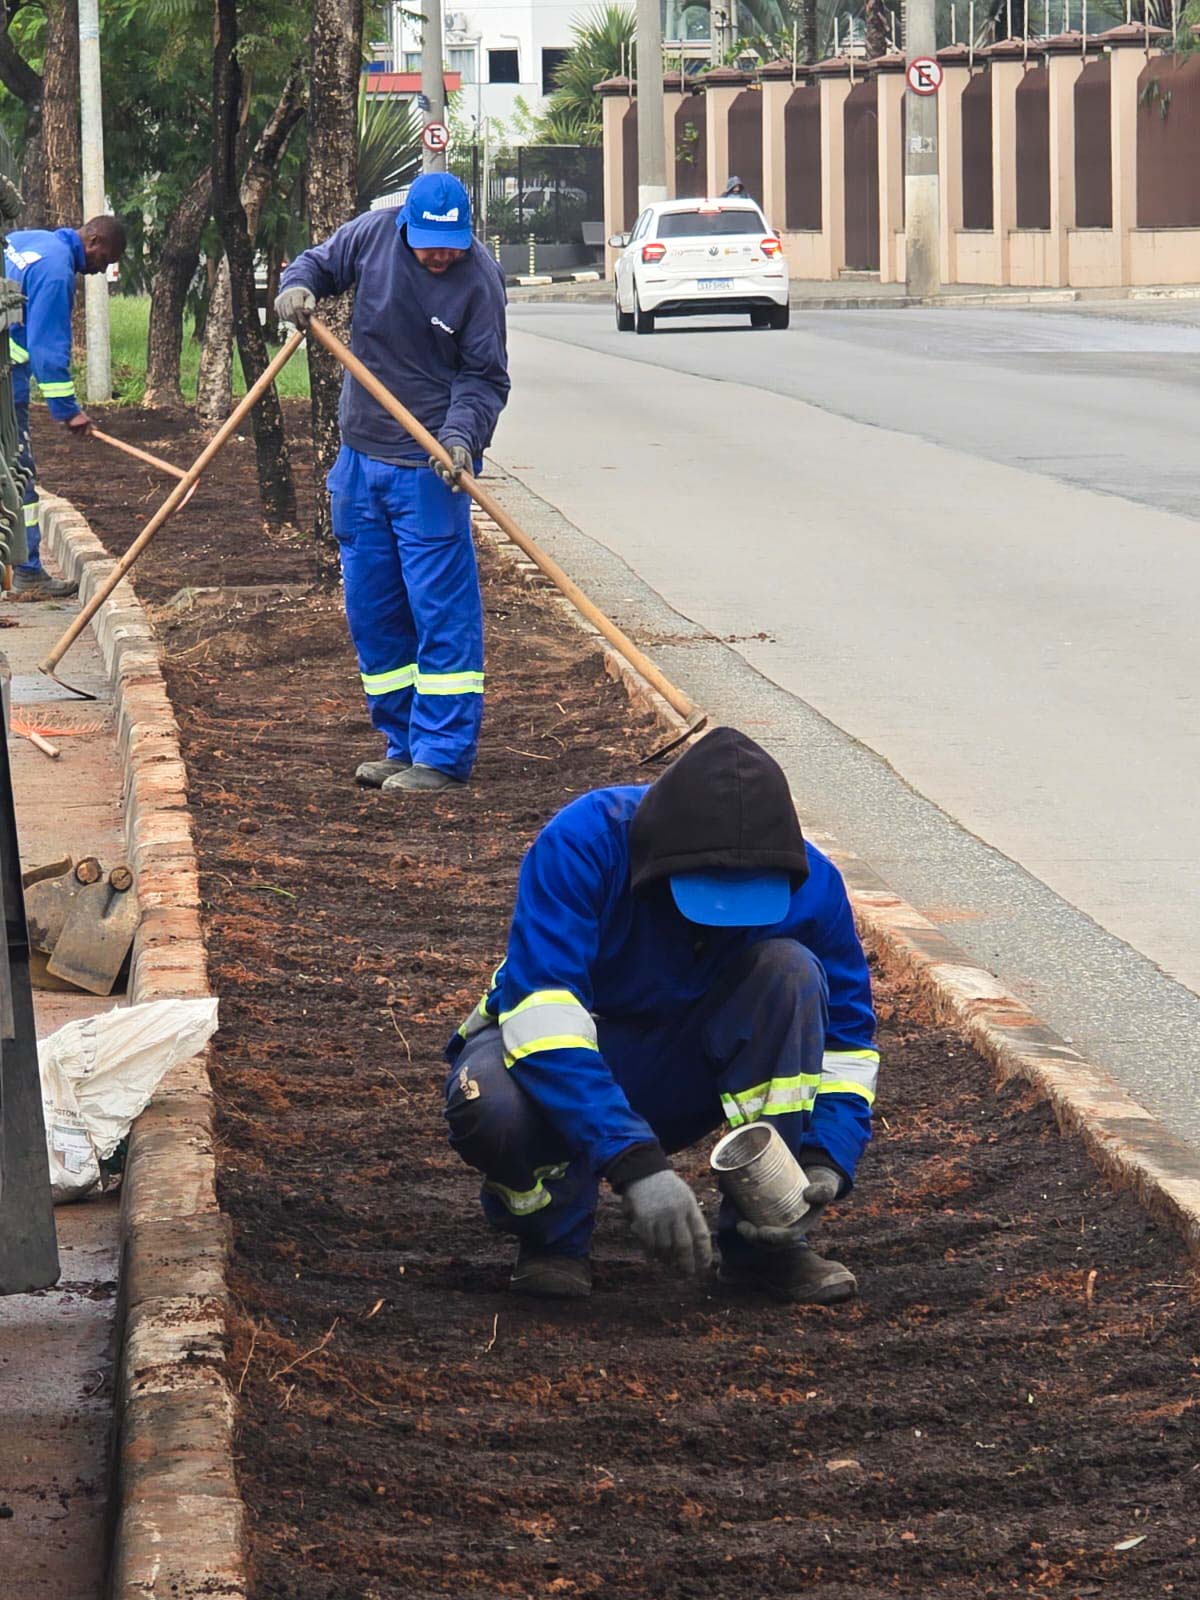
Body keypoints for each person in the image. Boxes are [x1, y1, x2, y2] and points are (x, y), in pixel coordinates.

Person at [444, 726, 879, 1306]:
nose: (721, 920)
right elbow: (541, 1021)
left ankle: (766, 1243)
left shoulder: (812, 885)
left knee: (791, 971)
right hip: (557, 1066)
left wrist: (827, 1157)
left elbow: (847, 1048)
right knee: (490, 1103)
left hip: (686, 1069)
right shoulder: (584, 844)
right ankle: (553, 1239)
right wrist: (636, 1165)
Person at [275, 173, 510, 796]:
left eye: (452, 245)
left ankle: (442, 754)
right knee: (374, 614)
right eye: (431, 244)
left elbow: (485, 379)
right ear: (406, 227)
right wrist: (297, 288)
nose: (442, 256)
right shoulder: (373, 235)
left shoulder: (479, 280)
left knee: (440, 613)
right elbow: (316, 265)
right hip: (360, 462)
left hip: (430, 468)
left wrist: (460, 439)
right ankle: (401, 742)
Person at [4, 215, 126, 596]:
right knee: (17, 472)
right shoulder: (57, 273)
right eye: (104, 260)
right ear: (93, 240)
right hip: (5, 382)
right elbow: (48, 351)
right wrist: (68, 410)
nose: (99, 271)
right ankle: (27, 572)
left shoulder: (27, 240)